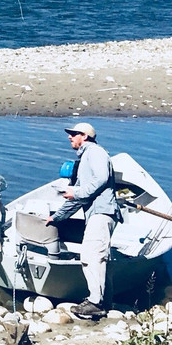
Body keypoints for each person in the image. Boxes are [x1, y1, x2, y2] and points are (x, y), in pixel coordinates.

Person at [46, 122, 121, 320]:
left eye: (73, 134)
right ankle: (104, 302)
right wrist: (56, 217)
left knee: (91, 256)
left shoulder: (94, 152)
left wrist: (76, 191)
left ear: (85, 136)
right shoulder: (85, 158)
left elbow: (101, 179)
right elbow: (78, 197)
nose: (69, 137)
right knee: (98, 257)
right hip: (98, 214)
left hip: (102, 213)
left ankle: (95, 303)